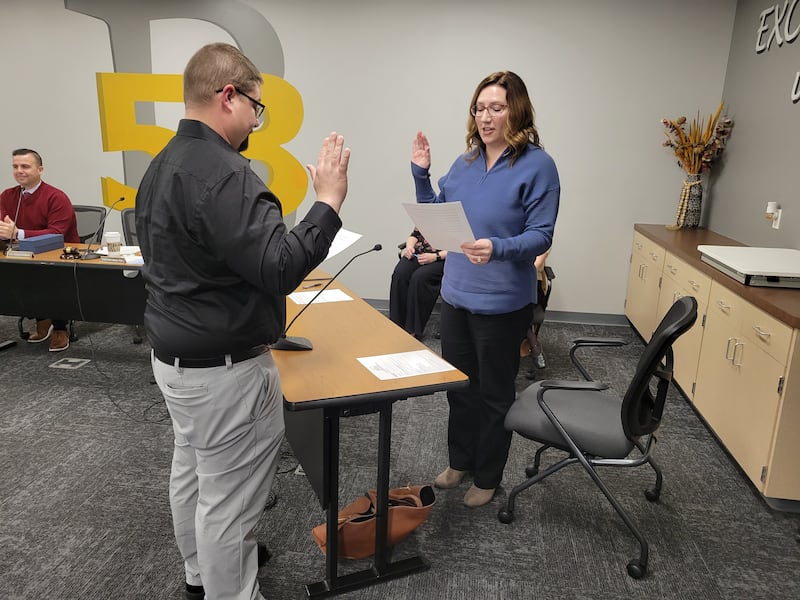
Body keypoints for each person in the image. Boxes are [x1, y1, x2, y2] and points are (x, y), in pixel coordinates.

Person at [135, 43, 349, 600]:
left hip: (175, 363)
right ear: (228, 96)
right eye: (257, 106)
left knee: (194, 475)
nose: (258, 120)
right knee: (230, 509)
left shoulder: (162, 165)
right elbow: (277, 267)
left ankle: (198, 574)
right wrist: (327, 203)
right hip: (224, 375)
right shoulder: (227, 175)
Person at [410, 71, 559, 508]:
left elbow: (541, 235)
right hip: (456, 296)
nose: (485, 116)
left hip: (503, 303)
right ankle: (461, 460)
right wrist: (422, 175)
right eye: (479, 108)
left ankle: (489, 474)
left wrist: (498, 248)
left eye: (496, 107)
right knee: (459, 388)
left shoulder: (538, 165)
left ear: (517, 111)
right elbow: (436, 215)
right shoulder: (465, 163)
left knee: (494, 394)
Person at [0, 148, 79, 351]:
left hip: (58, 256)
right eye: (15, 166)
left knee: (49, 278)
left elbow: (56, 233)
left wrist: (18, 233)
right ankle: (42, 318)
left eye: (25, 166)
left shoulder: (56, 197)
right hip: (22, 255)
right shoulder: (8, 196)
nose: (19, 171)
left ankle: (60, 327)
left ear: (40, 169)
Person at [389, 227, 446, 339]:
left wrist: (436, 256)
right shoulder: (427, 211)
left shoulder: (458, 215)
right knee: (400, 274)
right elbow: (415, 235)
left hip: (443, 259)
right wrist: (410, 248)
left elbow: (460, 249)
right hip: (420, 254)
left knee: (419, 278)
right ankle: (397, 325)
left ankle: (413, 330)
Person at [520, 250, 552, 369]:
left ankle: (533, 345)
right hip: (509, 284)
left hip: (531, 284)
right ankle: (534, 345)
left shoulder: (538, 236)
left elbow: (537, 266)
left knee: (518, 311)